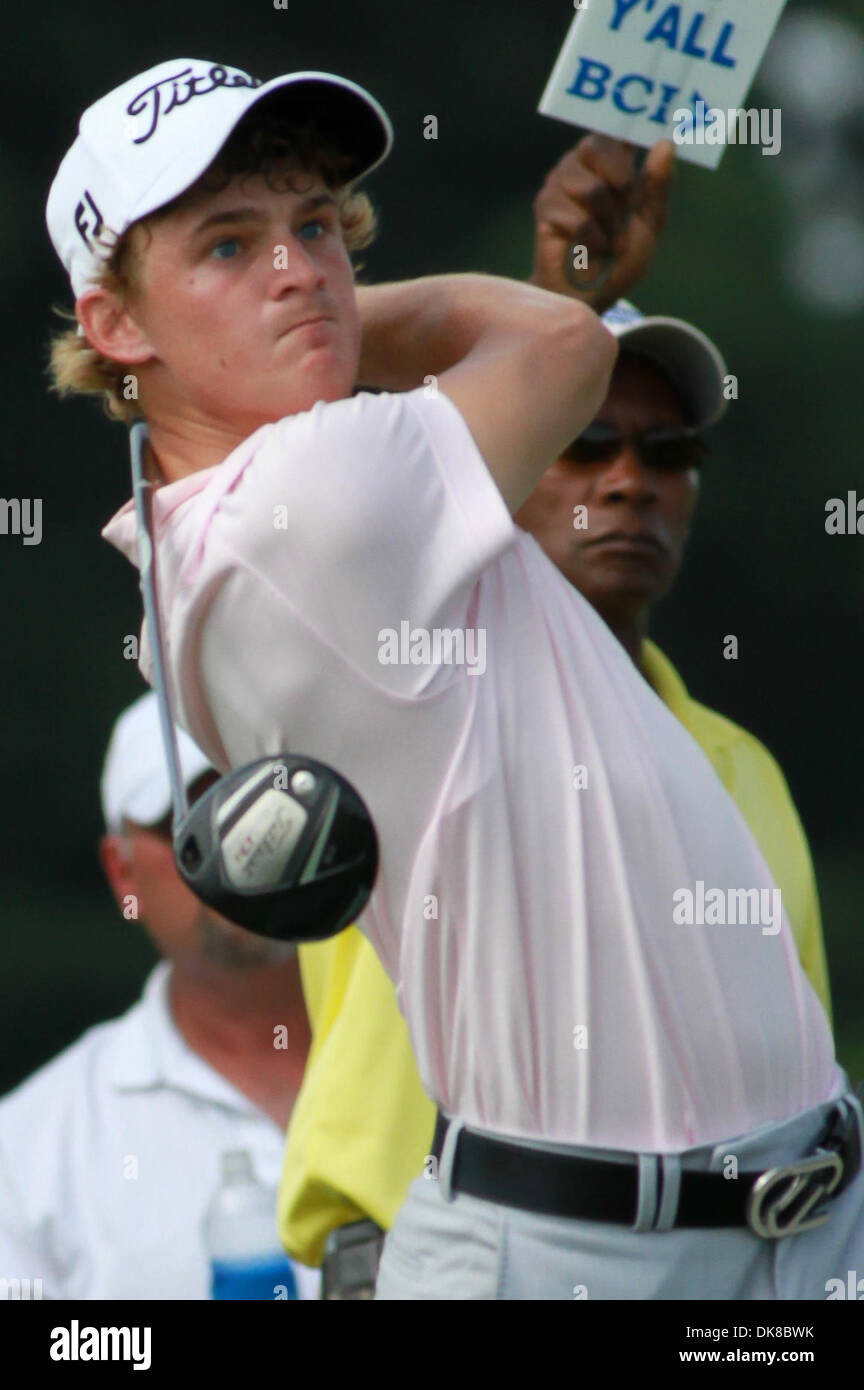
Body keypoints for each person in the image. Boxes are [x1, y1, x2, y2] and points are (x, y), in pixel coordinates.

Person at [48, 58, 862, 1301]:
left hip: (753, 1224)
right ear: (114, 326)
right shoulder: (311, 498)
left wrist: (273, 319)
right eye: (227, 245)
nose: (298, 268)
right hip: (588, 1252)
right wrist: (357, 316)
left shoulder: (239, 520)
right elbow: (565, 344)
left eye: (315, 226)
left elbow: (547, 351)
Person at [0, 693, 319, 1299]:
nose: (236, 845)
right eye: (189, 819)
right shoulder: (29, 1152)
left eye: (256, 807)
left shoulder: (455, 1067)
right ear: (123, 874)